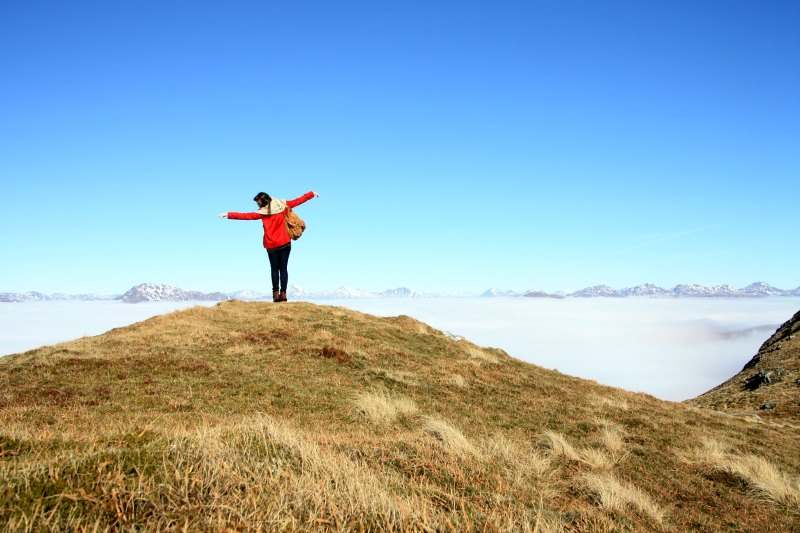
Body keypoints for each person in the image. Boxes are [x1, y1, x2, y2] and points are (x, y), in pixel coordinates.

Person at [219, 191, 318, 302]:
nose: (257, 205)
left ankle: (276, 295)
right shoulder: (282, 205)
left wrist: (228, 214)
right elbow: (298, 201)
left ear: (263, 202)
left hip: (271, 245)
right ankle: (283, 294)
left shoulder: (262, 212)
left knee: (274, 269)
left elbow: (246, 216)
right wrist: (311, 194)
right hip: (285, 242)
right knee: (284, 269)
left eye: (258, 203)